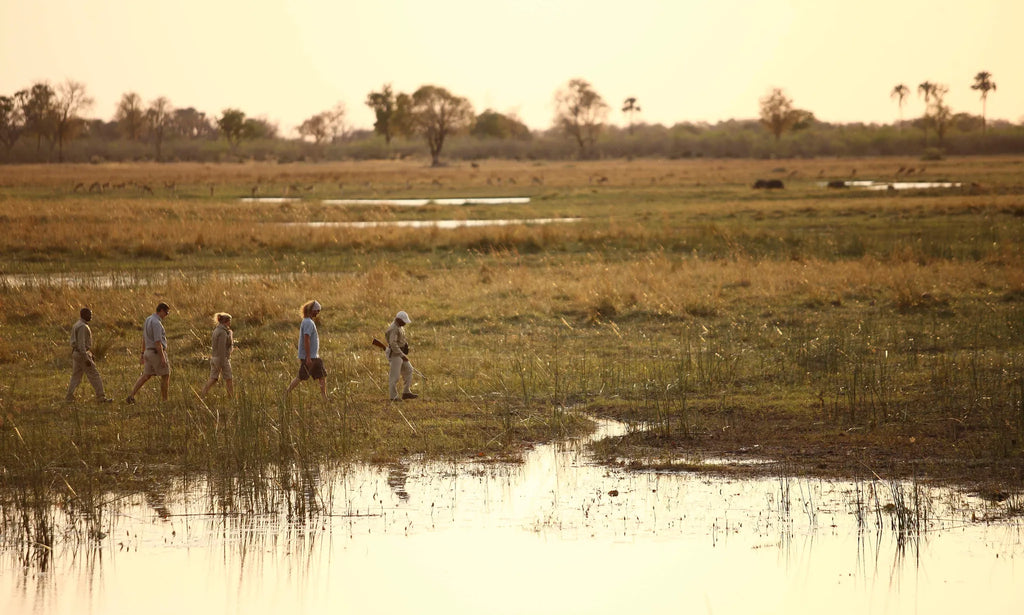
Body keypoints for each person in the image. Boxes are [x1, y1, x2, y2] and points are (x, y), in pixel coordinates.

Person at [65, 307, 113, 403]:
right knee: (94, 375)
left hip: (76, 353)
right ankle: (101, 397)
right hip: (81, 353)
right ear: (84, 315)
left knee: (76, 376)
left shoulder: (77, 324)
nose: (91, 316)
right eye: (89, 314)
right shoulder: (83, 327)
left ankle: (69, 396)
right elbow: (81, 344)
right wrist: (86, 358)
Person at [126, 302, 171, 403]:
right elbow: (158, 342)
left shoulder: (148, 319)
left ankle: (131, 395)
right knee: (166, 375)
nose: (166, 315)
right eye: (166, 313)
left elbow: (144, 338)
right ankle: (165, 400)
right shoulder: (157, 323)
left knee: (146, 375)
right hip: (156, 353)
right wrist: (162, 357)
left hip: (147, 352)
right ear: (161, 311)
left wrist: (142, 353)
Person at [285, 300, 327, 401]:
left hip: (314, 356)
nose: (318, 313)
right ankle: (286, 394)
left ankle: (324, 398)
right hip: (310, 357)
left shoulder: (308, 321)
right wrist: (308, 357)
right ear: (312, 310)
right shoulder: (308, 322)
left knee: (322, 375)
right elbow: (306, 339)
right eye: (317, 311)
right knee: (300, 377)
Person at [385, 310, 417, 401]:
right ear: (398, 320)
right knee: (394, 377)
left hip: (400, 353)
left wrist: (405, 346)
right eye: (404, 321)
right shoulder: (394, 328)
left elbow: (401, 339)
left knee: (409, 370)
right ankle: (393, 397)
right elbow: (393, 343)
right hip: (395, 355)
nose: (405, 323)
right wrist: (401, 355)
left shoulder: (400, 327)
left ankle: (406, 392)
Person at [200, 312, 234, 398]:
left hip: (214, 357)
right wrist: (222, 362)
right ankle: (231, 397)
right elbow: (222, 348)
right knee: (229, 378)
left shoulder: (216, 330)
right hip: (222, 358)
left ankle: (203, 393)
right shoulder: (222, 332)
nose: (230, 323)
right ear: (226, 321)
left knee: (213, 378)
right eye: (229, 321)